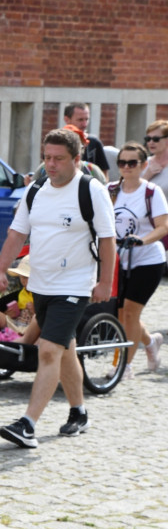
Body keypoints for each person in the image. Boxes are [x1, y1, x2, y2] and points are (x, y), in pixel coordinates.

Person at [0, 128, 115, 449]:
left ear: (77, 159)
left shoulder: (91, 190)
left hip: (75, 284)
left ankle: (28, 424)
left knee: (48, 350)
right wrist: (1, 269)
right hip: (40, 285)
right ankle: (78, 411)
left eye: (58, 159)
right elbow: (16, 234)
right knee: (65, 348)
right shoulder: (35, 191)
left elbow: (107, 239)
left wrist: (105, 282)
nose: (50, 165)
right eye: (46, 158)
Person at [109, 141, 168, 378]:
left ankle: (124, 366)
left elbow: (163, 227)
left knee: (131, 313)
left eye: (132, 163)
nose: (126, 167)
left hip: (148, 261)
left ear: (143, 165)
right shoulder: (110, 190)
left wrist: (141, 240)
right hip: (118, 260)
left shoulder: (152, 193)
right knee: (121, 314)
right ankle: (150, 341)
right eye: (122, 162)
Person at [0, 256, 40, 345]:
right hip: (17, 322)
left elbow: (47, 317)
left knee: (38, 320)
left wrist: (34, 310)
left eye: (27, 277)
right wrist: (8, 313)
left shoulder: (41, 293)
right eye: (21, 277)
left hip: (31, 328)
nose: (24, 281)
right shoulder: (22, 292)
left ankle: (29, 347)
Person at [64, 103, 110, 174]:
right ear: (67, 119)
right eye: (80, 120)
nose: (84, 124)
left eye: (86, 119)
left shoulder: (94, 143)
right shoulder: (54, 141)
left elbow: (104, 175)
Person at [141, 120, 168, 195]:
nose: (151, 142)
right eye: (148, 139)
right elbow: (132, 192)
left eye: (156, 139)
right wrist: (147, 176)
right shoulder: (142, 164)